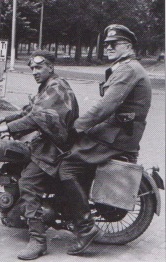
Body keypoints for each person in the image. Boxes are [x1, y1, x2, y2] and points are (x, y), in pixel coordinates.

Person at [58, 24, 152, 256]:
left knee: (66, 167)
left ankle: (86, 227)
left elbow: (106, 106)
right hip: (115, 131)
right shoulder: (124, 67)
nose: (108, 47)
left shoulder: (128, 70)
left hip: (116, 136)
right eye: (107, 43)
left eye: (114, 44)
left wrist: (77, 126)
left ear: (128, 46)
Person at [0, 50, 79, 260]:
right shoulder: (48, 86)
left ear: (50, 67)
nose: (34, 72)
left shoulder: (57, 87)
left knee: (28, 183)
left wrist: (6, 129)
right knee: (13, 165)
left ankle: (38, 240)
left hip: (56, 146)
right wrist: (3, 121)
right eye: (32, 68)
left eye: (39, 67)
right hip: (48, 142)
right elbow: (29, 110)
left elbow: (35, 117)